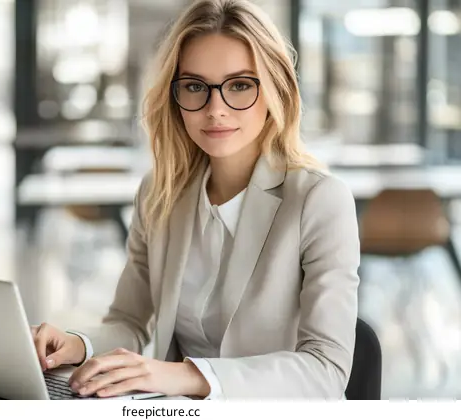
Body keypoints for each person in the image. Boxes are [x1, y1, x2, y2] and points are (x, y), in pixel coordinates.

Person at [31, 0, 360, 400]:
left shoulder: (319, 201)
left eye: (240, 85)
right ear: (175, 97)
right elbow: (130, 323)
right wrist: (76, 344)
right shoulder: (160, 194)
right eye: (195, 87)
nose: (215, 109)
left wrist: (183, 377)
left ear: (276, 89)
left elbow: (326, 369)